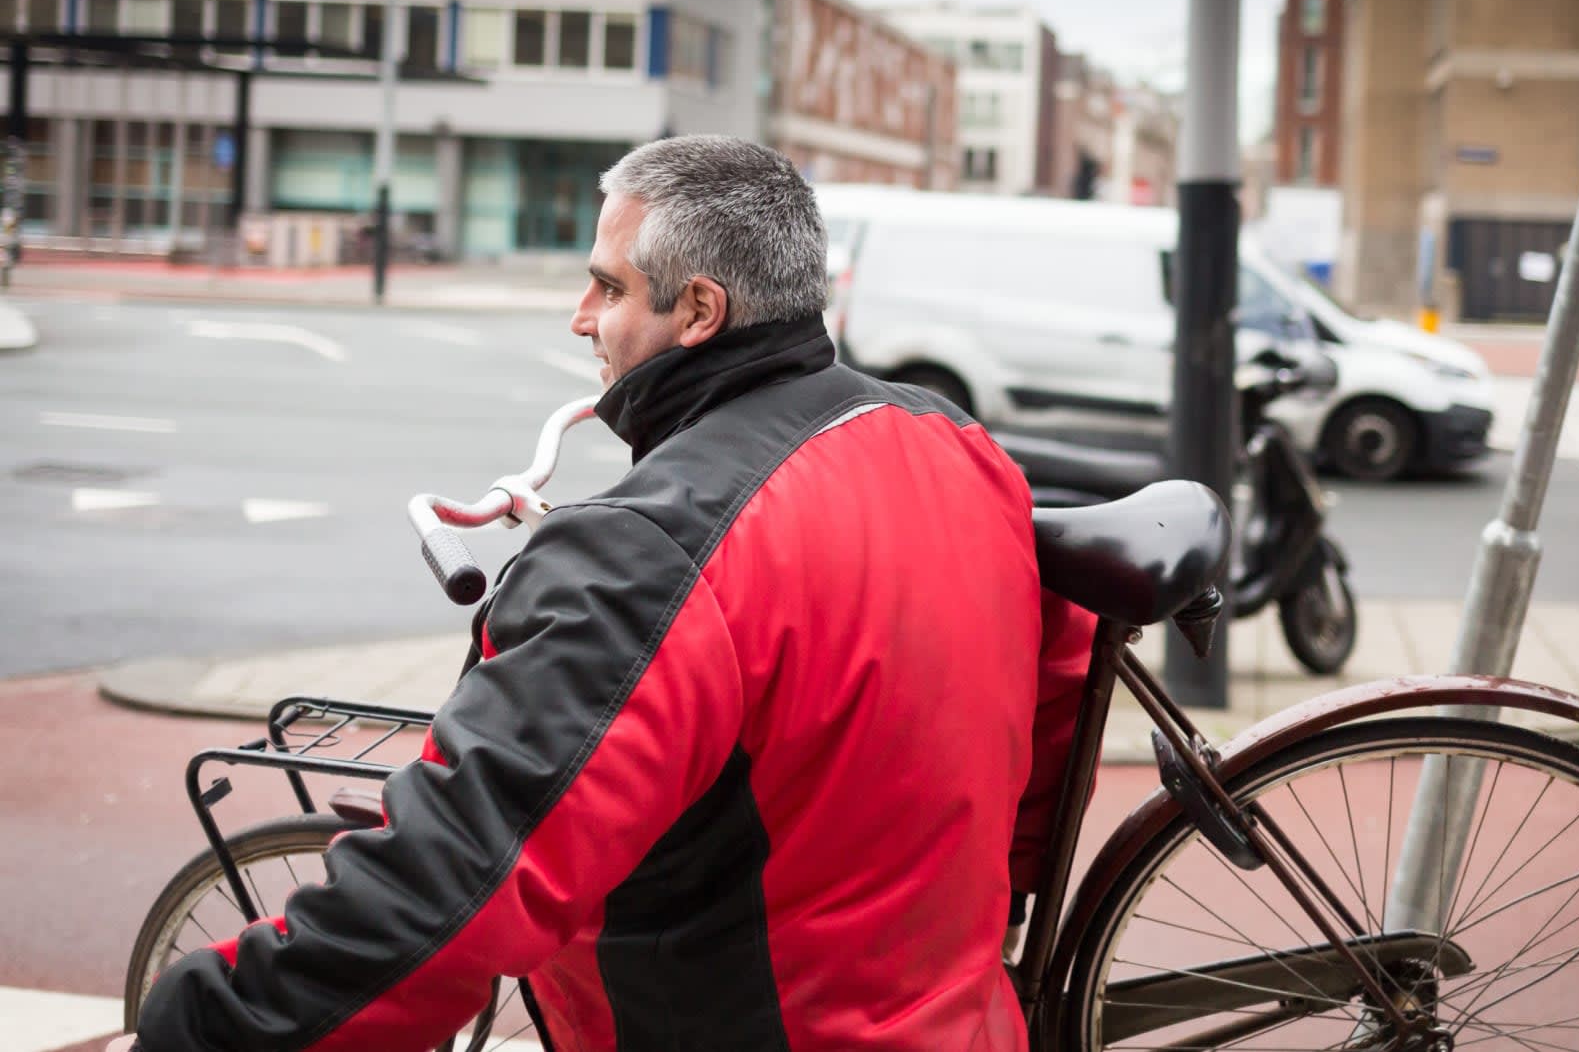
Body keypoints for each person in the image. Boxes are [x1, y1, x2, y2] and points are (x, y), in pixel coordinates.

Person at [115, 136, 1094, 1051]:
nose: (580, 317)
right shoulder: (951, 444)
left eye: (607, 285)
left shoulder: (652, 553)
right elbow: (1055, 689)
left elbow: (458, 886)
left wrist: (201, 1023)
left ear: (699, 312)